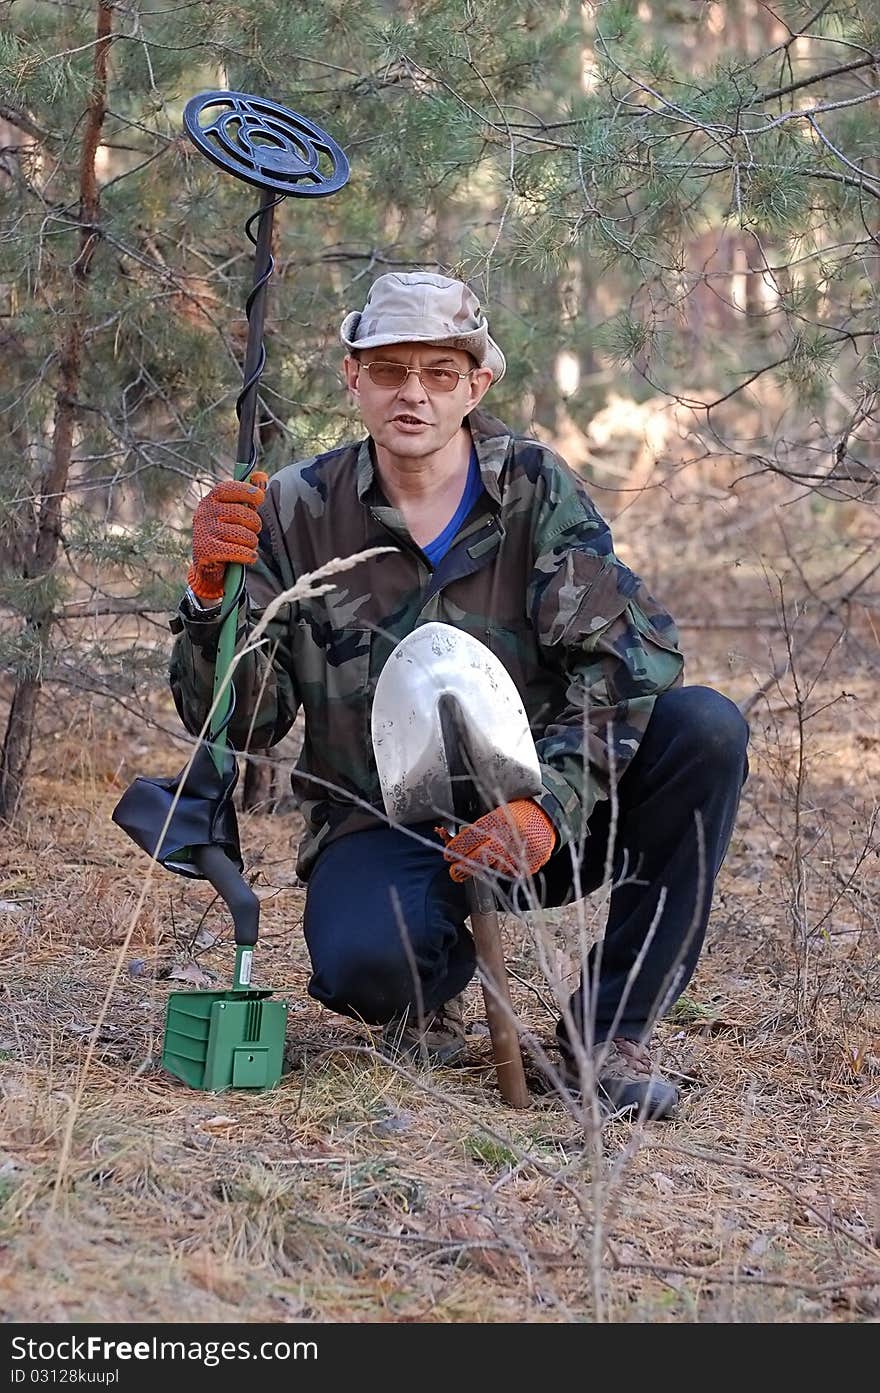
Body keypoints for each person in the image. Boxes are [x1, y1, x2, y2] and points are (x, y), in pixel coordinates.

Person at [169, 271, 749, 1119]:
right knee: (366, 963)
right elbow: (242, 721)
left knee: (705, 730)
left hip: (541, 819)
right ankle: (425, 984)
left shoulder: (536, 492)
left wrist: (548, 807)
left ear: (476, 384)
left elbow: (631, 660)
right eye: (391, 370)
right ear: (353, 378)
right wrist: (209, 600)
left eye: (440, 373)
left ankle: (607, 1034)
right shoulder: (294, 509)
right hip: (383, 821)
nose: (414, 394)